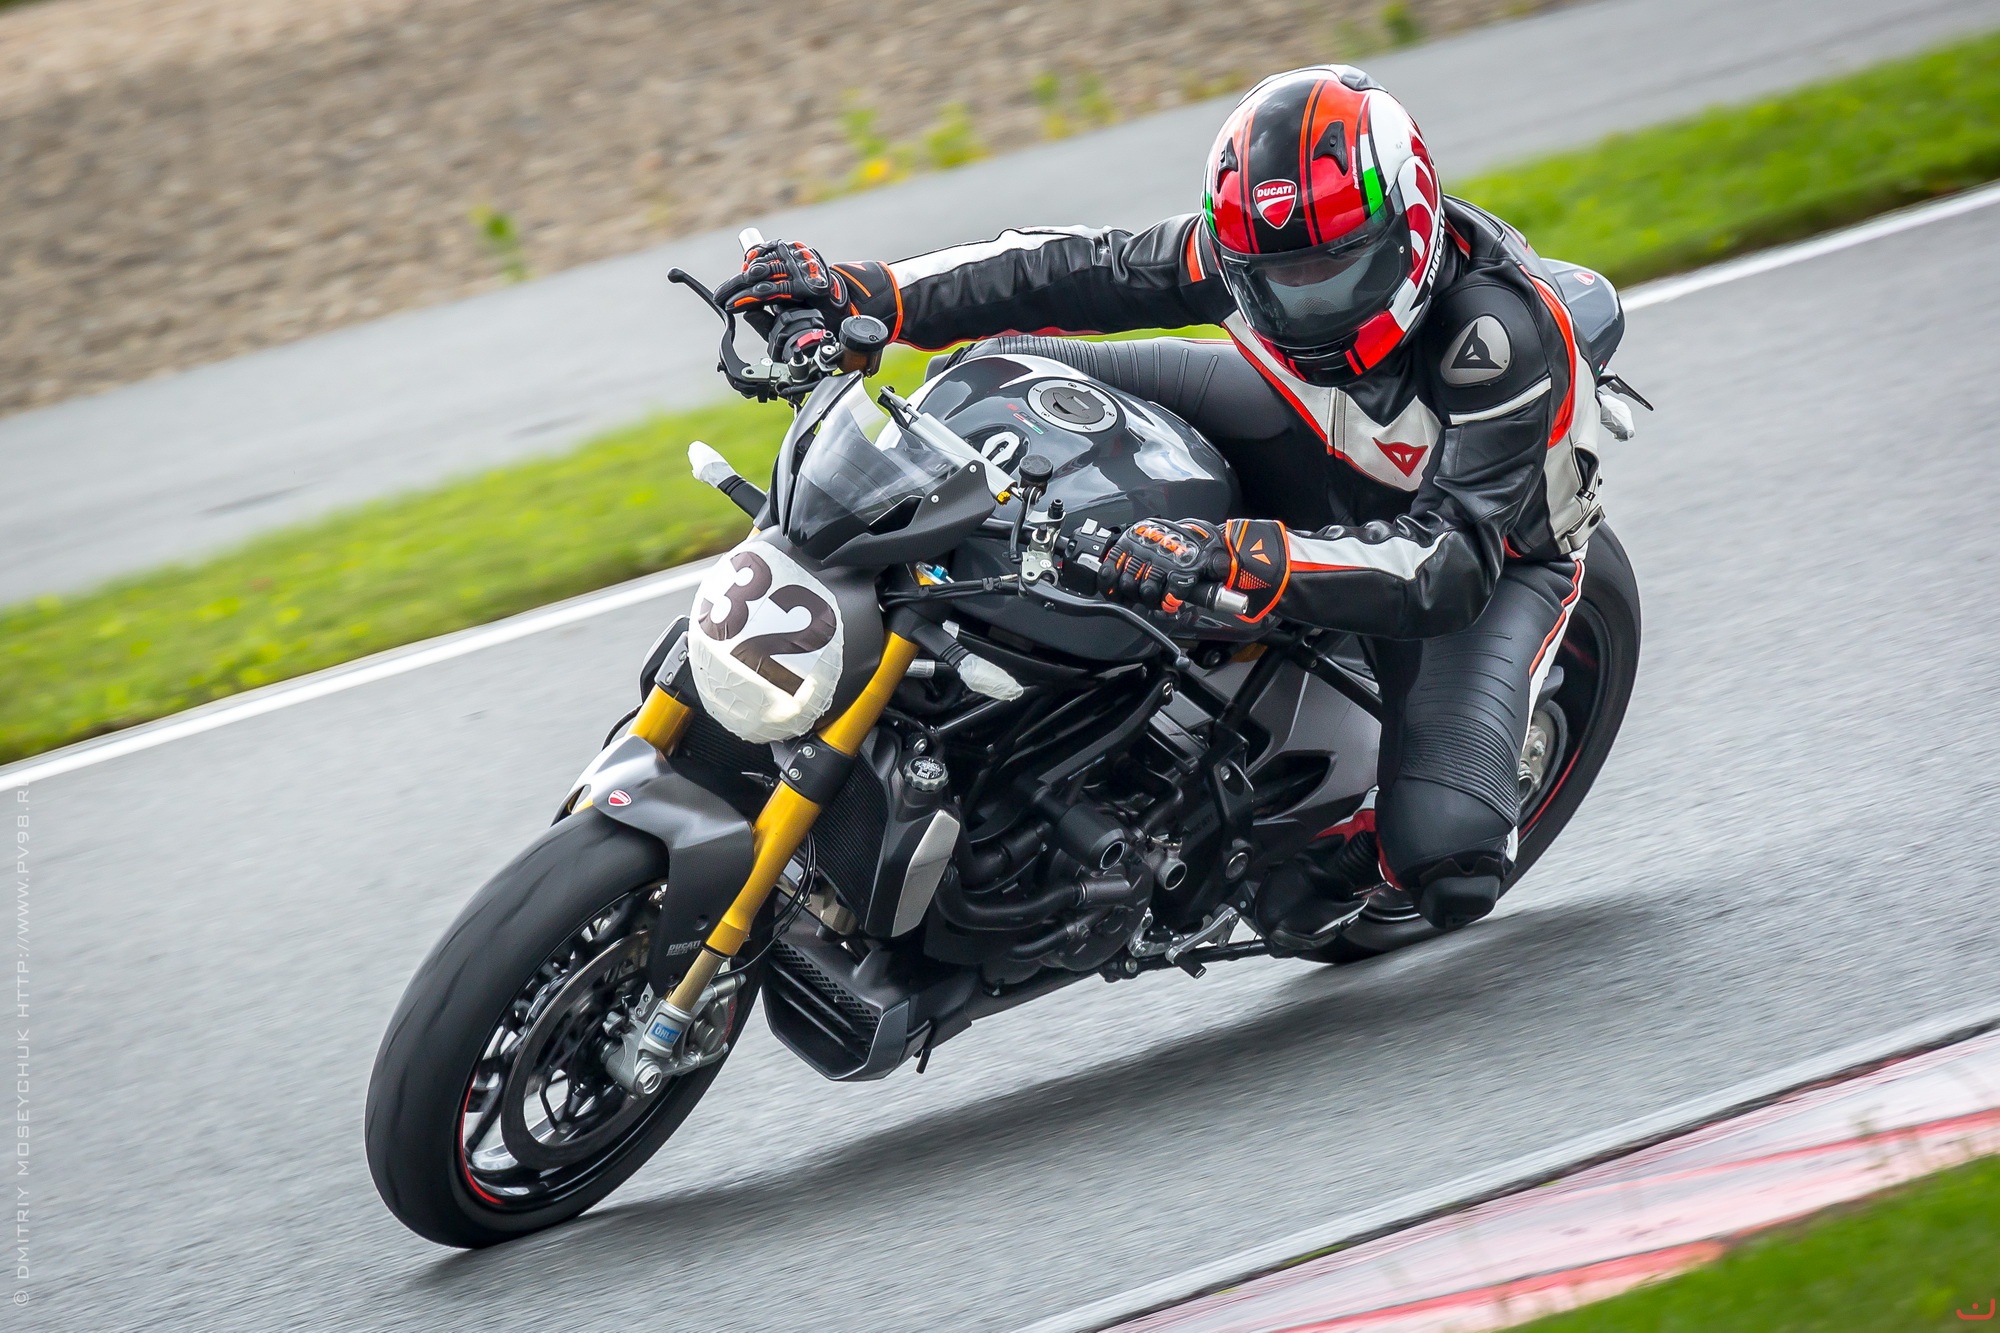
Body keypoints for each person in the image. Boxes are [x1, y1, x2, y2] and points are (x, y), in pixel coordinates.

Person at [713, 65, 1612, 945]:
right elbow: (1067, 268)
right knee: (994, 369)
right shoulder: (1247, 251)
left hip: (1491, 555)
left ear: (1409, 230)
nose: (1304, 307)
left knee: (1447, 858)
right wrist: (864, 291)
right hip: (1303, 429)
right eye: (1274, 283)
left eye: (1333, 275)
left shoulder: (1494, 337)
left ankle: (1354, 848)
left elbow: (1447, 565)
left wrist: (1238, 557)